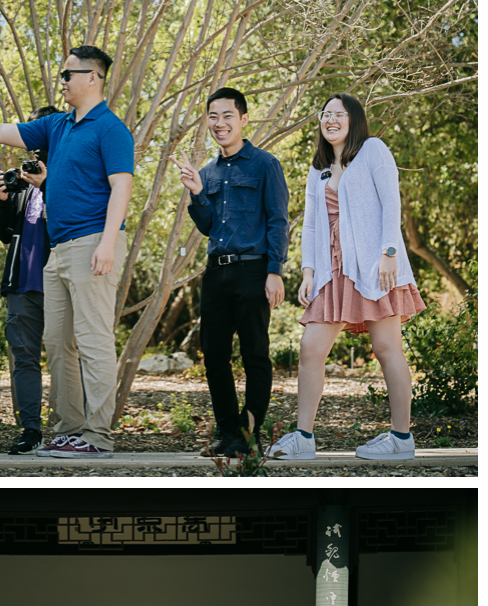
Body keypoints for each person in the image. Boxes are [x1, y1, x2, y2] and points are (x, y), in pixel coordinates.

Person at [0, 45, 134, 458]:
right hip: (59, 249)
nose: (63, 81)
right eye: (63, 74)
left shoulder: (111, 130)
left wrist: (107, 243)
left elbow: (122, 187)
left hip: (93, 243)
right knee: (57, 343)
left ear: (94, 78)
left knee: (93, 341)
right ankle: (71, 429)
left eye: (70, 74)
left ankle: (98, 437)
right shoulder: (56, 126)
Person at [266, 93, 426, 461]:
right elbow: (309, 224)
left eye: (338, 114)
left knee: (387, 349)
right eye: (325, 115)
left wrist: (389, 254)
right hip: (332, 272)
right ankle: (303, 437)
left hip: (374, 268)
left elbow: (391, 203)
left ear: (354, 119)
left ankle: (401, 438)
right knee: (310, 348)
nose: (330, 120)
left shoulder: (373, 150)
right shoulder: (318, 167)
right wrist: (308, 272)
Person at [172, 87, 289, 457]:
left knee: (255, 353)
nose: (219, 123)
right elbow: (208, 226)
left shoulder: (265, 164)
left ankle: (250, 436)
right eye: (212, 117)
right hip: (215, 273)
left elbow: (278, 220)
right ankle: (228, 434)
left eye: (226, 116)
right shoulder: (206, 171)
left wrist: (275, 270)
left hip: (254, 272)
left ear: (243, 119)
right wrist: (196, 193)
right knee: (214, 354)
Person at [0, 104, 59, 454]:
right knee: (24, 357)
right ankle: (31, 430)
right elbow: (6, 234)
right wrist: (3, 201)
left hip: (60, 283)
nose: (35, 152)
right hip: (22, 284)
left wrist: (47, 185)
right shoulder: (22, 185)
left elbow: (71, 220)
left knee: (66, 356)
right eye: (31, 144)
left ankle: (69, 430)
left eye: (41, 142)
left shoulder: (66, 178)